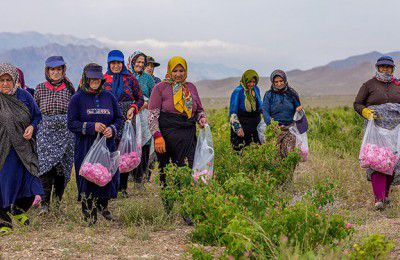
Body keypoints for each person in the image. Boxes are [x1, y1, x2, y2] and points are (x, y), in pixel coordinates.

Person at [68, 63, 123, 224]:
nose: (94, 81)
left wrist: (112, 128)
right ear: (85, 78)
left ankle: (103, 206)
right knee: (87, 176)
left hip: (106, 144)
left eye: (97, 78)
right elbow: (71, 123)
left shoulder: (109, 97)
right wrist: (92, 127)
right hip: (85, 145)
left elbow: (119, 119)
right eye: (91, 78)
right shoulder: (77, 99)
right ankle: (88, 209)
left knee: (105, 175)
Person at [148, 56, 207, 186]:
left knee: (188, 167)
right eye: (175, 71)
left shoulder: (191, 87)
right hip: (167, 137)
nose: (178, 74)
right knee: (168, 172)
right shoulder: (160, 88)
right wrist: (157, 136)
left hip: (188, 136)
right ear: (169, 70)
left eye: (181, 71)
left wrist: (201, 118)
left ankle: (185, 201)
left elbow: (199, 110)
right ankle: (169, 203)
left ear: (185, 71)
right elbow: (152, 116)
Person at [0, 63, 43, 235]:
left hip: (24, 149)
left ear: (15, 80)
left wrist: (32, 127)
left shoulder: (25, 96)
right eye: (1, 80)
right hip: (3, 150)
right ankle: (4, 220)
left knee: (31, 184)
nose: (4, 84)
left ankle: (17, 209)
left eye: (8, 80)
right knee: (4, 184)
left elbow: (37, 116)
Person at [354, 56, 400, 210]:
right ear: (377, 68)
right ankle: (378, 199)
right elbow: (357, 103)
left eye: (388, 67)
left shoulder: (398, 85)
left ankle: (385, 195)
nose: (385, 69)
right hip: (376, 130)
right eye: (382, 67)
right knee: (376, 161)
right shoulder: (369, 85)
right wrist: (365, 111)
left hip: (395, 130)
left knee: (391, 162)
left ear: (392, 69)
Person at [34, 56, 75, 214]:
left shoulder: (69, 90)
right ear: (47, 71)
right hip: (45, 135)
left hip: (65, 134)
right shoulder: (40, 88)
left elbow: (74, 111)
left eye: (59, 69)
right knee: (45, 169)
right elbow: (35, 111)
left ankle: (57, 204)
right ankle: (44, 204)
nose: (56, 73)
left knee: (61, 169)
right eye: (52, 69)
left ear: (63, 71)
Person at [103, 50, 144, 197]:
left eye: (118, 63)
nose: (116, 66)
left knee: (125, 152)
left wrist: (133, 108)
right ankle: (109, 187)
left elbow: (140, 99)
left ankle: (123, 188)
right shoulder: (104, 79)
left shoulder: (131, 79)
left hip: (127, 118)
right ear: (109, 63)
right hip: (110, 118)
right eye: (113, 63)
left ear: (122, 63)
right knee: (110, 151)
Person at [127, 51, 155, 190]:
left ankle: (139, 179)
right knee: (130, 143)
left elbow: (155, 99)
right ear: (132, 62)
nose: (140, 65)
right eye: (138, 62)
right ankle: (126, 178)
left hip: (144, 115)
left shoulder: (148, 79)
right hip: (130, 114)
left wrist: (145, 104)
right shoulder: (127, 77)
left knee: (144, 145)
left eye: (142, 63)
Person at [262, 70, 303, 158]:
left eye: (281, 81)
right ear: (272, 82)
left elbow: (298, 107)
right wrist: (271, 124)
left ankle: (289, 172)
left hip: (290, 129)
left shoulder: (292, 93)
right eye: (276, 82)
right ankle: (278, 172)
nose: (279, 83)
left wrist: (299, 109)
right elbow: (265, 111)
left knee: (289, 154)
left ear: (285, 80)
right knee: (275, 155)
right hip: (275, 129)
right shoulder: (269, 95)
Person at [229, 70, 263, 151]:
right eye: (249, 81)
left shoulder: (256, 89)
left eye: (254, 82)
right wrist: (237, 129)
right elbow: (233, 112)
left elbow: (260, 106)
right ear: (245, 80)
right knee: (242, 152)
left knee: (256, 152)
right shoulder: (238, 91)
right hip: (242, 127)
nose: (252, 84)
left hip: (255, 127)